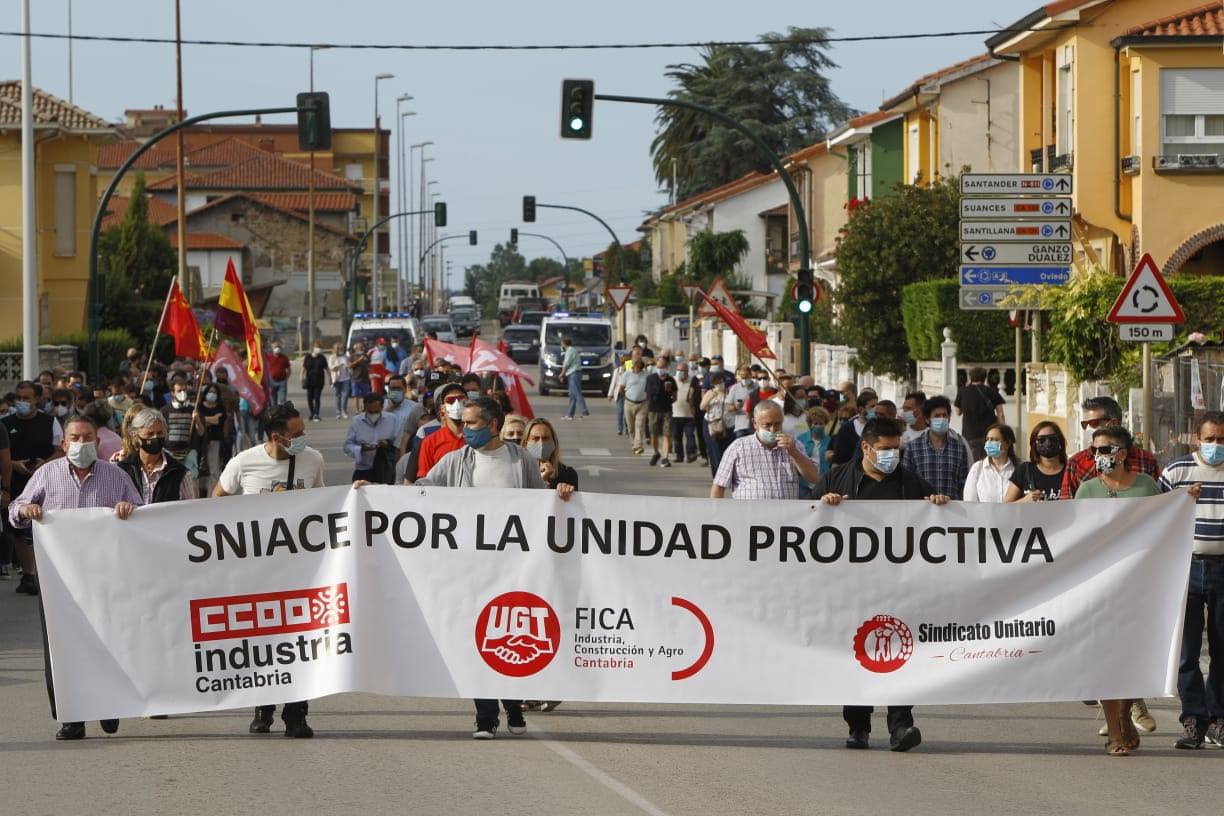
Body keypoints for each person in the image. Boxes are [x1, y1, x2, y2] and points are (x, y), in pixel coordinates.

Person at [411, 397, 572, 738]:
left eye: (472, 423)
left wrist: (560, 492)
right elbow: (419, 492)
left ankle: (512, 706)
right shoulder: (455, 461)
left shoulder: (522, 461)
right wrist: (373, 494)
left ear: (493, 425)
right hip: (469, 571)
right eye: (464, 423)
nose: (465, 429)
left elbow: (541, 504)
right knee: (474, 641)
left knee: (507, 639)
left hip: (513, 569)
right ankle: (485, 717)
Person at [817, 418, 950, 752]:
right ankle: (858, 727)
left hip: (899, 587)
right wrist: (825, 505)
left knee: (901, 653)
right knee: (858, 654)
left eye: (896, 448)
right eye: (886, 449)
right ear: (866, 447)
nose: (892, 455)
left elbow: (936, 518)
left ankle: (901, 725)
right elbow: (806, 522)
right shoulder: (838, 478)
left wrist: (938, 506)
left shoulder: (909, 481)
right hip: (851, 587)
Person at [9, 413, 141, 740]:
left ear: (98, 442)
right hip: (58, 580)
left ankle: (109, 705)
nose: (82, 443)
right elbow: (16, 509)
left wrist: (129, 509)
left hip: (104, 577)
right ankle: (71, 716)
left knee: (108, 642)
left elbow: (141, 512)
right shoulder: (47, 475)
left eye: (88, 438)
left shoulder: (116, 476)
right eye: (75, 438)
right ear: (64, 442)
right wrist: (26, 511)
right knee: (61, 648)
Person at [213, 403, 324, 738]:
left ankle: (297, 714)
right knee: (263, 641)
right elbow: (217, 498)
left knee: (301, 642)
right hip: (257, 572)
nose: (303, 438)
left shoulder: (312, 460)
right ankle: (263, 707)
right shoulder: (244, 463)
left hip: (301, 570)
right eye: (297, 433)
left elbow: (325, 504)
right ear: (277, 436)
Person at [1073, 425, 1161, 756]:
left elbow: (1168, 520)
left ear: (1122, 454)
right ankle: (1114, 732)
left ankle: (1126, 712)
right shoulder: (1088, 490)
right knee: (1107, 659)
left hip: (1141, 586)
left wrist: (1186, 499)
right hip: (1101, 588)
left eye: (1105, 449)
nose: (1099, 456)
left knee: (1136, 657)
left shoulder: (1146, 487)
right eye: (1094, 450)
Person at [1159, 411, 1224, 750]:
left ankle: (1218, 718)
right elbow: (1155, 516)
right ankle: (1193, 720)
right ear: (1197, 439)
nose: (1216, 446)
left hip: (1222, 569)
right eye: (1210, 439)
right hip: (1185, 567)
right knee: (1186, 650)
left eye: (1222, 440)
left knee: (1221, 648)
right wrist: (1180, 502)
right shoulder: (1176, 472)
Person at [2, 381, 59, 595]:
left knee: (43, 527)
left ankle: (43, 574)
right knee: (18, 530)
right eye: (19, 397)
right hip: (16, 482)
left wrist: (45, 463)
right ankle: (28, 574)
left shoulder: (50, 422)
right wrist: (14, 464)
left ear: (37, 400)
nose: (22, 402)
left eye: (27, 398)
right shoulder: (5, 423)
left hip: (46, 482)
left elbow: (60, 449)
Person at [710, 401, 820, 500]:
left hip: (785, 517)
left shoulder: (794, 444)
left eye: (777, 424)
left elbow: (814, 478)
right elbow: (719, 486)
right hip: (749, 518)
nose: (773, 430)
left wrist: (794, 453)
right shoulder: (738, 447)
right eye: (767, 425)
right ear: (755, 424)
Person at [1061, 396, 1160, 499]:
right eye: (1085, 424)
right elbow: (1067, 508)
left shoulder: (1145, 460)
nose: (1089, 429)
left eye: (1094, 423)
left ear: (1114, 423)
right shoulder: (1076, 464)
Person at [115, 407, 196, 504]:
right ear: (135, 436)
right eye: (149, 434)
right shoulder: (123, 469)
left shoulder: (179, 473)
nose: (155, 437)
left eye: (159, 433)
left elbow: (189, 508)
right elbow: (112, 503)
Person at [904, 395, 970, 499]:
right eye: (937, 416)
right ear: (927, 419)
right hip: (922, 509)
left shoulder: (959, 447)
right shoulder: (913, 447)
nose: (942, 419)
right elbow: (907, 481)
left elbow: (964, 483)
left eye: (945, 415)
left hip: (952, 510)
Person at [1004, 422, 1068, 503]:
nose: (1047, 443)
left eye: (1052, 439)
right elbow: (1006, 507)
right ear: (1034, 444)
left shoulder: (1070, 471)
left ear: (1060, 441)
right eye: (1041, 440)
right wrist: (1025, 501)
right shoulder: (1024, 470)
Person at [344, 393, 400, 483]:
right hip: (363, 470)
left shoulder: (392, 419)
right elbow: (347, 446)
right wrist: (360, 449)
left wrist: (387, 444)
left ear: (382, 407)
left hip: (385, 469)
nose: (373, 415)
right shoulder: (356, 421)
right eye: (370, 412)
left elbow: (399, 442)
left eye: (376, 412)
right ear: (365, 408)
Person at [415, 383, 467, 478]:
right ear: (442, 408)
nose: (456, 404)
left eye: (460, 399)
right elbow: (425, 481)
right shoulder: (429, 442)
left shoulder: (477, 437)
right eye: (450, 400)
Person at [955, 368, 1007, 461]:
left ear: (970, 378)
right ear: (984, 378)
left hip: (970, 435)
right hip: (990, 434)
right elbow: (1000, 414)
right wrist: (1002, 431)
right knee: (991, 463)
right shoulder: (991, 391)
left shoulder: (963, 392)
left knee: (973, 464)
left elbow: (958, 412)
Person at [962, 423, 1017, 502]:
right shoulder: (977, 468)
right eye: (987, 439)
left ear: (1007, 443)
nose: (989, 443)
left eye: (995, 439)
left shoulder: (1018, 468)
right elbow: (969, 502)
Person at [700, 372, 734, 478]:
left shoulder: (730, 392)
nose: (719, 384)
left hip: (727, 424)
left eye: (721, 381)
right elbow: (702, 407)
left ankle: (727, 475)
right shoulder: (710, 392)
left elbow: (733, 407)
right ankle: (717, 477)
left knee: (726, 452)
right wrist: (711, 397)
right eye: (716, 382)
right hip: (712, 425)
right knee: (715, 452)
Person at [645, 356, 677, 468]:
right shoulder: (650, 378)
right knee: (654, 434)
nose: (660, 369)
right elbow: (647, 394)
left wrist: (668, 398)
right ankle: (656, 452)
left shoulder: (671, 380)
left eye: (663, 367)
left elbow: (675, 396)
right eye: (658, 366)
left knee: (666, 435)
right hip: (653, 410)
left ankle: (665, 458)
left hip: (666, 410)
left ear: (667, 367)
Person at [831, 391, 878, 466]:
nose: (875, 410)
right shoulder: (847, 429)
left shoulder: (878, 427)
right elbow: (838, 459)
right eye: (872, 406)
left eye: (876, 406)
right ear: (861, 409)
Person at [670, 360, 699, 463]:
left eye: (683, 370)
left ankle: (691, 454)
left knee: (690, 435)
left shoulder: (693, 381)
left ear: (687, 371)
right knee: (677, 437)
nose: (680, 372)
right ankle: (679, 455)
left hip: (689, 414)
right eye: (679, 370)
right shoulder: (672, 380)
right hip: (675, 414)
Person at [620, 357, 649, 456]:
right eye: (636, 367)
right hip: (629, 403)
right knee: (631, 427)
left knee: (640, 426)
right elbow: (621, 387)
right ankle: (633, 444)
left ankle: (638, 445)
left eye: (639, 368)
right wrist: (626, 397)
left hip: (642, 404)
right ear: (633, 367)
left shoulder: (646, 375)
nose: (637, 369)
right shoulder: (627, 374)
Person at [560, 337, 589, 420]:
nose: (561, 345)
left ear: (565, 343)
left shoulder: (570, 350)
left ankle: (584, 412)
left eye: (561, 343)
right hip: (572, 373)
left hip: (574, 373)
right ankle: (569, 414)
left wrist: (562, 374)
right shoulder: (569, 350)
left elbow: (566, 363)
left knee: (576, 393)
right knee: (572, 395)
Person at [300, 344, 330, 422]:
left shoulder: (322, 358)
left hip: (319, 381)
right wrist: (301, 377)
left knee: (317, 397)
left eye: (320, 347)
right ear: (313, 348)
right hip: (309, 381)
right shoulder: (308, 357)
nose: (319, 349)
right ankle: (312, 413)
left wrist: (330, 378)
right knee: (309, 398)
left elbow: (327, 368)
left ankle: (316, 414)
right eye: (317, 347)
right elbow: (303, 368)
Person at [727, 366, 757, 440]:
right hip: (740, 426)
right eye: (742, 376)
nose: (744, 378)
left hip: (754, 425)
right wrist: (735, 407)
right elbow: (727, 407)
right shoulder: (734, 388)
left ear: (750, 375)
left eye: (746, 376)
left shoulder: (757, 387)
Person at [347, 342, 371, 417]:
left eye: (362, 346)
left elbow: (369, 364)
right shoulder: (352, 356)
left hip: (365, 378)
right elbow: (349, 366)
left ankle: (365, 409)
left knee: (366, 395)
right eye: (360, 347)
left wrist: (369, 369)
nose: (361, 348)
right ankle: (357, 410)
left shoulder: (366, 355)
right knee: (356, 395)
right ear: (356, 348)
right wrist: (358, 361)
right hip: (355, 379)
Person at [329, 342, 351, 420]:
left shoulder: (345, 356)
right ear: (334, 349)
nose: (339, 350)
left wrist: (349, 366)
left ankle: (344, 411)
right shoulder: (332, 357)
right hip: (337, 379)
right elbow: (331, 368)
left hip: (346, 378)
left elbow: (348, 365)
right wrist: (338, 366)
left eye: (340, 348)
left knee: (345, 395)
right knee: (338, 395)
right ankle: (338, 412)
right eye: (338, 348)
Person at [266, 341, 291, 406]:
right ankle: (275, 414)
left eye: (278, 347)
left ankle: (282, 414)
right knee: (273, 401)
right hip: (272, 382)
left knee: (283, 400)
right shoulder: (268, 357)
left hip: (282, 382)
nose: (277, 348)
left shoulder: (284, 358)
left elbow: (289, 370)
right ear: (272, 348)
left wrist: (286, 379)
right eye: (275, 347)